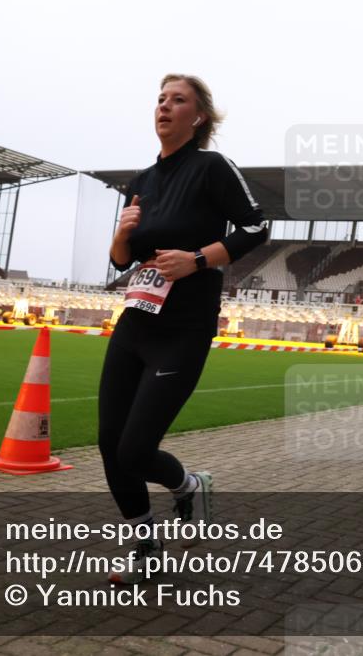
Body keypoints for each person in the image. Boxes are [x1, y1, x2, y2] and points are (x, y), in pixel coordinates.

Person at [99, 74, 269, 584]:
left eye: (178, 100)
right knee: (110, 444)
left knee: (134, 449)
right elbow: (118, 261)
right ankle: (145, 543)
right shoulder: (142, 181)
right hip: (137, 319)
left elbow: (257, 227)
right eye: (159, 99)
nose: (164, 107)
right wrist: (121, 234)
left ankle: (190, 485)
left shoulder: (211, 168)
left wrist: (197, 259)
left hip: (185, 326)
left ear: (197, 117)